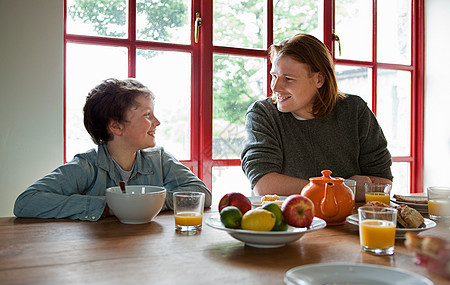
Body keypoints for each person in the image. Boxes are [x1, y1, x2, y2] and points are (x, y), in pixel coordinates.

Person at [14, 78, 211, 221]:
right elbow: (26, 202)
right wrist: (108, 207)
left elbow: (201, 194)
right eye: (147, 115)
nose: (157, 122)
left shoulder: (160, 158)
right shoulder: (86, 166)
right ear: (116, 126)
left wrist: (146, 203)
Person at [240, 34, 392, 201]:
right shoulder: (262, 114)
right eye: (274, 76)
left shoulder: (355, 110)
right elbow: (265, 186)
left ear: (319, 79)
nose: (276, 87)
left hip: (347, 223)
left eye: (288, 79)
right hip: (289, 225)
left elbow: (382, 184)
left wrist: (302, 187)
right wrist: (344, 186)